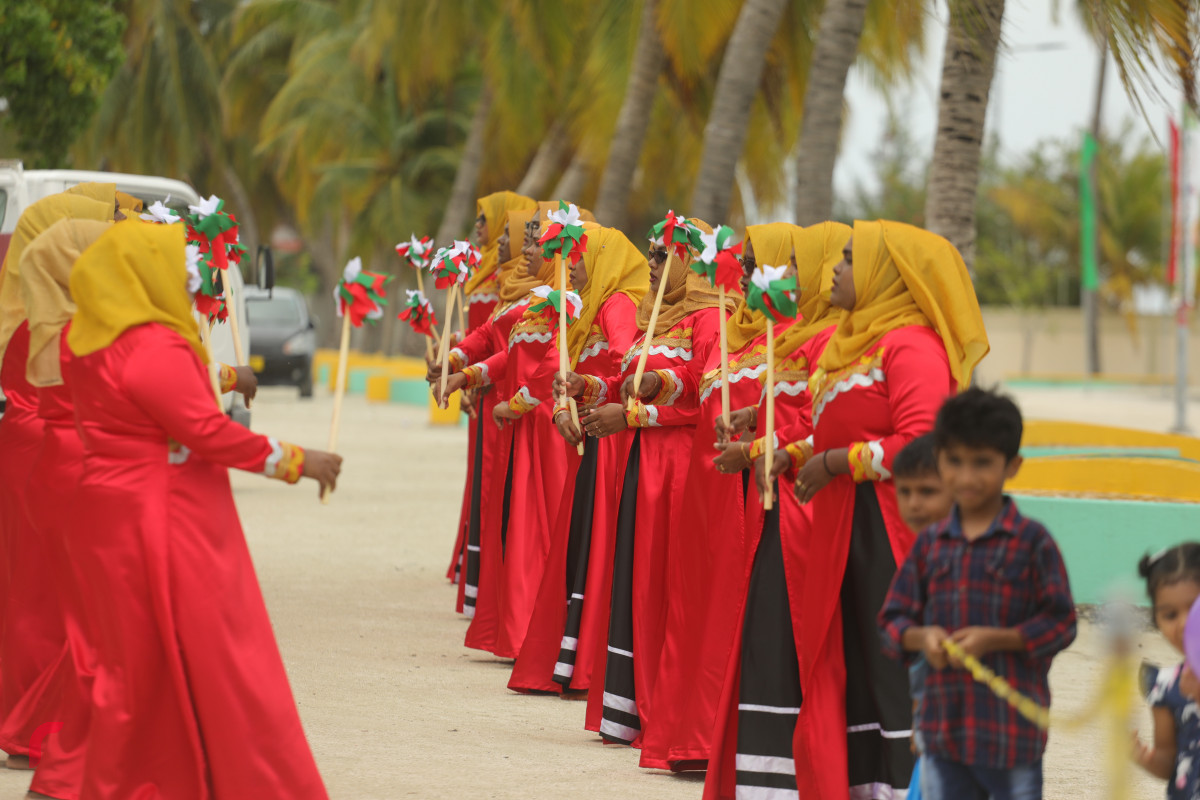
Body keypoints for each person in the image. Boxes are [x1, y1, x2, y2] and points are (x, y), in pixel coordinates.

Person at [61, 219, 340, 797]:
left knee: (135, 663)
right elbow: (206, 431)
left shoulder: (85, 337)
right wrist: (297, 460)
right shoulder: (153, 344)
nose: (191, 279)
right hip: (161, 514)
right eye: (178, 266)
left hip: (107, 511)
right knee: (206, 659)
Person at [731, 220, 990, 800]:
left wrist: (836, 462)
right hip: (846, 528)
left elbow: (923, 443)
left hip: (891, 531)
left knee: (891, 669)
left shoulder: (911, 346)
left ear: (883, 274)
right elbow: (834, 429)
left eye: (849, 259)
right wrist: (797, 454)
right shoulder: (854, 345)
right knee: (854, 667)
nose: (835, 270)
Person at [557, 218, 734, 749]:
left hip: (679, 471)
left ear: (689, 261)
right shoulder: (654, 316)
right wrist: (588, 387)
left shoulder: (711, 319)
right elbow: (627, 381)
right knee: (638, 580)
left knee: (667, 583)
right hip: (644, 466)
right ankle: (630, 709)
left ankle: (668, 714)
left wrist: (638, 411)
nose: (651, 264)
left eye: (661, 255)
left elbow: (706, 396)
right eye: (651, 254)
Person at [700, 221, 850, 797]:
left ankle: (796, 768)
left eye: (791, 266)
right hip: (777, 503)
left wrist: (755, 449)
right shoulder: (795, 333)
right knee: (769, 632)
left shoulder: (830, 339)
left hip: (804, 507)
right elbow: (788, 406)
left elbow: (820, 424)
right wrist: (749, 418)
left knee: (791, 632)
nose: (777, 276)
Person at [637, 223, 788, 770]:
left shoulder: (793, 336)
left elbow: (802, 411)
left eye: (755, 266)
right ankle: (693, 739)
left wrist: (756, 442)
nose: (743, 275)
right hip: (713, 492)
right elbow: (701, 382)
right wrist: (659, 384)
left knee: (739, 614)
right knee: (700, 613)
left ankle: (720, 743)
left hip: (759, 496)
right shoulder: (733, 328)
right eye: (741, 264)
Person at [879, 388, 1077, 800]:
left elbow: (1061, 624)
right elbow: (892, 622)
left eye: (982, 463)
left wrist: (999, 639)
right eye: (955, 461)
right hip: (943, 734)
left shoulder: (1032, 543)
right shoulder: (930, 545)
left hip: (1010, 737)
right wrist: (922, 637)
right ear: (940, 461)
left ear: (1013, 466)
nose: (966, 477)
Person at [0, 194, 115, 767]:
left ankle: (23, 722)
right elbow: (125, 383)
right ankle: (34, 730)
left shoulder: (26, 319)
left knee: (25, 592)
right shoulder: (70, 327)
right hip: (60, 456)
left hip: (25, 455)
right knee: (52, 601)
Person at [507, 224, 647, 695]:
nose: (571, 266)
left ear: (604, 260)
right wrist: (564, 406)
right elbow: (567, 370)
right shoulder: (588, 306)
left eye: (580, 258)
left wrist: (602, 403)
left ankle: (587, 663)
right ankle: (574, 659)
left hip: (611, 442)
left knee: (597, 544)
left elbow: (628, 366)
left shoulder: (617, 304)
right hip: (592, 435)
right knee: (581, 543)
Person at [446, 191, 538, 586]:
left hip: (519, 404)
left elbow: (528, 357)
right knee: (488, 483)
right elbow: (488, 335)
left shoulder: (547, 296)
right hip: (496, 396)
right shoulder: (507, 282)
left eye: (498, 227)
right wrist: (454, 358)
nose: (492, 235)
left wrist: (467, 373)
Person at [890, 433, 954, 800]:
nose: (914, 504)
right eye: (905, 492)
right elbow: (896, 629)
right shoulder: (921, 560)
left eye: (928, 492)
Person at [1133, 543, 1200, 798]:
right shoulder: (1165, 686)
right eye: (1170, 615)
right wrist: (1143, 757)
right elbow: (1167, 761)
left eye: (1194, 610)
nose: (1183, 624)